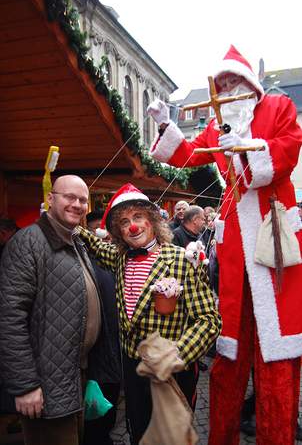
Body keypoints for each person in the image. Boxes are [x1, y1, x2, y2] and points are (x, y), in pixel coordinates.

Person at [148, 45, 302, 445]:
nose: (229, 88)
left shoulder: (279, 107)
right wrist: (166, 128)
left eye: (234, 81)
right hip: (235, 247)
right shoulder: (218, 125)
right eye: (223, 83)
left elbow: (286, 150)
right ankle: (222, 436)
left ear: (250, 84)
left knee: (278, 355)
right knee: (229, 351)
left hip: (274, 239)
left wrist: (248, 148)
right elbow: (187, 154)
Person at [78, 183, 221, 445]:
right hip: (132, 368)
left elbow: (210, 321)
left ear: (152, 220)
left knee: (171, 436)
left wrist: (176, 354)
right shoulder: (120, 258)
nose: (132, 226)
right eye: (124, 222)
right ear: (118, 232)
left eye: (138, 217)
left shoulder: (181, 260)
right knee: (139, 430)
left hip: (170, 370)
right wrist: (69, 224)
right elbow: (96, 247)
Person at [0, 175, 118, 445]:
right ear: (50, 199)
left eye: (82, 200)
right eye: (69, 197)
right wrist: (26, 385)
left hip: (76, 375)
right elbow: (9, 318)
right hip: (44, 382)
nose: (77, 204)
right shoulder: (28, 242)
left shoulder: (75, 240)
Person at [83, 213, 123, 445]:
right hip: (97, 345)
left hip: (116, 345)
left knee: (110, 401)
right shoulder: (86, 261)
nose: (103, 234)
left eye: (106, 229)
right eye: (97, 229)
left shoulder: (119, 258)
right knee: (95, 407)